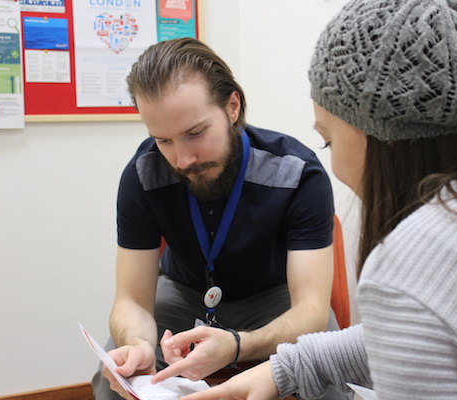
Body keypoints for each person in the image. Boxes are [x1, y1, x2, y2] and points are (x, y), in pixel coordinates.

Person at [180, 0, 457, 399]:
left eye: (328, 140)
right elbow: (430, 331)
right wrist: (285, 368)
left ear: (375, 135)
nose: (332, 161)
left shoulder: (409, 266)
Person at [91, 37, 347, 400]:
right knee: (116, 376)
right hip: (183, 294)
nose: (182, 160)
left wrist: (239, 345)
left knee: (328, 374)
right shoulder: (144, 174)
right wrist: (138, 344)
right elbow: (131, 300)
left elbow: (311, 309)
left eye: (195, 133)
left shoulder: (297, 172)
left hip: (274, 299)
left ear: (232, 106)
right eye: (163, 140)